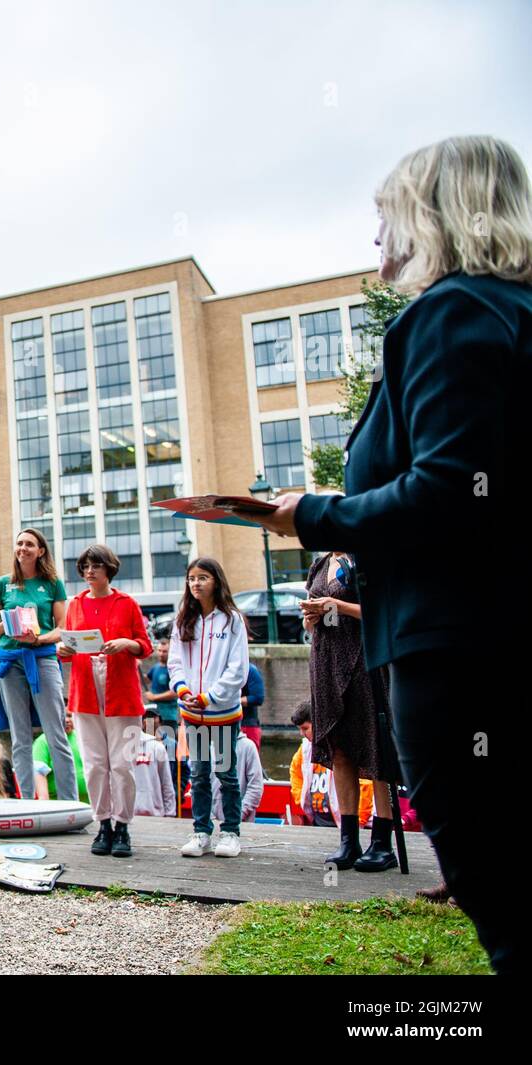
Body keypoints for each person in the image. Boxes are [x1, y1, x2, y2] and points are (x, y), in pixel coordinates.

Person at [257, 136, 528, 972]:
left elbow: (450, 488)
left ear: (433, 216)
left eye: (385, 217)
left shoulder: (450, 315)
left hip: (455, 649)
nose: (376, 239)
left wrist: (316, 514)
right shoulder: (514, 313)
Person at [300, 551, 397, 872]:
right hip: (326, 660)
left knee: (375, 747)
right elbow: (310, 625)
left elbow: (384, 612)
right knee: (338, 748)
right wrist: (311, 617)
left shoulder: (365, 558)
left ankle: (382, 840)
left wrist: (337, 606)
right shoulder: (320, 563)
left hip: (363, 660)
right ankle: (348, 839)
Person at [57, 544, 151, 857]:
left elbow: (145, 646)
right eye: (85, 567)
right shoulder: (75, 605)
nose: (89, 572)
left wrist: (127, 642)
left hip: (121, 692)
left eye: (95, 566)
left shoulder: (127, 603)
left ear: (108, 568)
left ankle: (123, 824)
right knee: (96, 765)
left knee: (123, 765)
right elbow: (68, 646)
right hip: (85, 692)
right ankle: (103, 823)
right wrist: (64, 651)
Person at [0, 529, 78, 802]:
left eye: (29, 544)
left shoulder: (52, 584)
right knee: (20, 737)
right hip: (9, 661)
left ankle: (68, 802)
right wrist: (9, 625)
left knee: (56, 733)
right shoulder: (3, 584)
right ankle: (26, 803)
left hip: (42, 659)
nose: (23, 548)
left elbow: (62, 629)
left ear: (41, 551)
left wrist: (37, 638)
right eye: (19, 543)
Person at [167, 558, 249, 858]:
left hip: (222, 712)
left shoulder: (231, 620)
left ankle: (230, 832)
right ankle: (201, 831)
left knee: (226, 773)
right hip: (194, 714)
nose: (195, 584)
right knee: (199, 773)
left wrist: (209, 696)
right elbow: (175, 661)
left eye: (202, 578)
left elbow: (238, 668)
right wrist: (183, 689)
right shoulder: (184, 619)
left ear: (216, 581)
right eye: (191, 578)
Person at [288, 703, 372, 828]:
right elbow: (295, 772)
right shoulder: (304, 749)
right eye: (299, 729)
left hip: (343, 822)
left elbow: (365, 783)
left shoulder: (341, 748)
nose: (302, 733)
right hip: (318, 819)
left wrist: (358, 820)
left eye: (305, 728)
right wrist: (300, 797)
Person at [32, 711, 87, 803]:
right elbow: (38, 772)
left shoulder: (82, 737)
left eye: (69, 715)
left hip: (90, 806)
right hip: (60, 805)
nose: (67, 720)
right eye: (61, 715)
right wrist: (45, 804)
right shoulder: (43, 742)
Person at [132, 710, 178, 817]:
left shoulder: (160, 747)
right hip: (127, 815)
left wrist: (170, 812)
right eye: (147, 717)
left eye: (153, 717)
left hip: (155, 813)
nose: (150, 721)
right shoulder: (118, 747)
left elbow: (167, 782)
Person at [213, 732, 264, 824]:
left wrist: (239, 814)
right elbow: (199, 785)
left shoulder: (248, 746)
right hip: (210, 822)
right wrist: (209, 817)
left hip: (242, 824)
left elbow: (256, 786)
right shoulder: (206, 746)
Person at [239, 662, 265, 752]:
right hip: (221, 725)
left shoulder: (249, 670)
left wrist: (232, 702)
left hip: (247, 725)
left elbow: (258, 698)